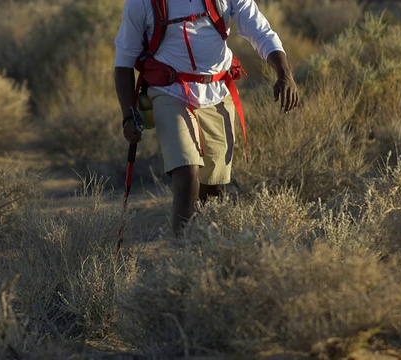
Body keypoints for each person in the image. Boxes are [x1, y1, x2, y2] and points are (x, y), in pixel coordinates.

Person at [115, 0, 299, 236]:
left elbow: (259, 30)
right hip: (170, 91)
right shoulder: (142, 3)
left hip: (218, 93)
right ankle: (184, 253)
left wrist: (284, 73)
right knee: (187, 170)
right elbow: (124, 60)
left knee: (212, 188)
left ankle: (206, 252)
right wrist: (127, 115)